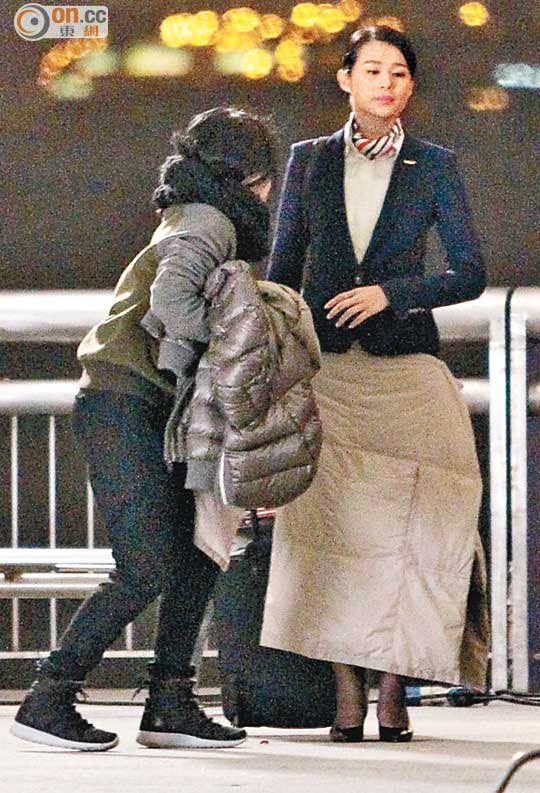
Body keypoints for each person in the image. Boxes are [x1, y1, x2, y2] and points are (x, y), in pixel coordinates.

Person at [11, 106, 277, 752]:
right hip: (122, 401)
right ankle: (48, 696)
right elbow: (171, 303)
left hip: (146, 404)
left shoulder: (193, 214)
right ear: (248, 175)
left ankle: (169, 703)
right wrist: (219, 349)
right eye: (268, 176)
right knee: (146, 563)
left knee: (195, 556)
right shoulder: (208, 221)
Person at [260, 26, 490, 743]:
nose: (386, 84)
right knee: (331, 530)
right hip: (330, 373)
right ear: (346, 79)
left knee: (421, 529)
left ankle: (395, 689)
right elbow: (281, 271)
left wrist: (394, 293)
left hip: (407, 370)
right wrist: (274, 371)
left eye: (399, 74)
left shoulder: (434, 164)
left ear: (411, 86)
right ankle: (345, 692)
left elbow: (469, 272)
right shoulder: (309, 160)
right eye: (373, 70)